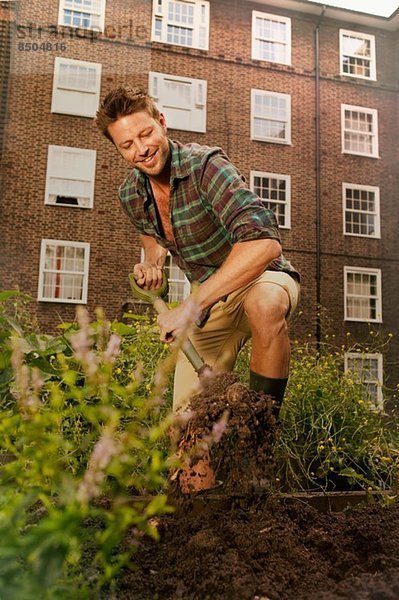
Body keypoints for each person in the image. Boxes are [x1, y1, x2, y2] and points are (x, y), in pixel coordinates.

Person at [95, 87, 300, 490]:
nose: (142, 149)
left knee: (265, 306)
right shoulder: (130, 194)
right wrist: (151, 266)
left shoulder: (207, 166)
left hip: (259, 276)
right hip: (211, 302)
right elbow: (151, 235)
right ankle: (199, 514)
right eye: (127, 144)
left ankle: (258, 435)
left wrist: (191, 306)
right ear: (118, 150)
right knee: (189, 441)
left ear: (162, 123)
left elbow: (264, 242)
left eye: (147, 134)